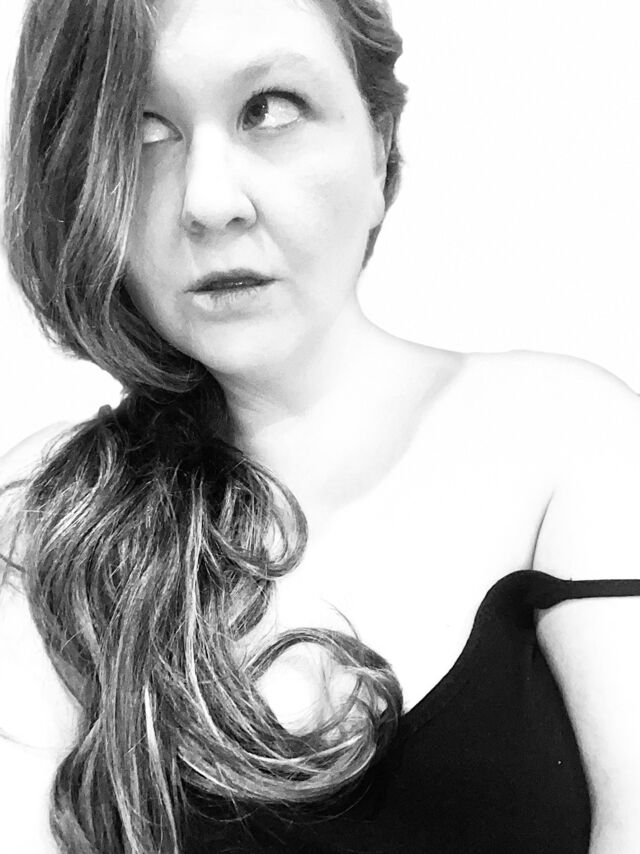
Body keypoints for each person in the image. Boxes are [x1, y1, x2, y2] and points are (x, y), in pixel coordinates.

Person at [1, 0, 640, 852]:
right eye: (141, 129)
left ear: (379, 146)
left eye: (269, 108)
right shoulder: (51, 519)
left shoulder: (569, 443)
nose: (208, 201)